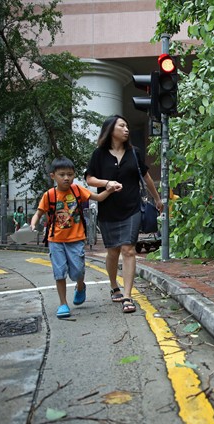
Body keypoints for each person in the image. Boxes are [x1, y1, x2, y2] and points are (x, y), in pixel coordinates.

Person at [85, 115, 163, 314]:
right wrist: (106, 183)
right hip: (108, 209)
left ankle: (128, 296)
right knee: (113, 251)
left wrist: (157, 198)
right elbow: (90, 179)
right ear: (111, 129)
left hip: (132, 208)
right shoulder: (99, 154)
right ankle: (114, 286)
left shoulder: (134, 153)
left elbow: (146, 178)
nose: (126, 129)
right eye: (122, 125)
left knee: (129, 249)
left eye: (127, 125)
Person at [30, 156, 114, 318]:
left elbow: (97, 198)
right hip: (55, 241)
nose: (66, 178)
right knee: (59, 272)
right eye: (62, 174)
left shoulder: (77, 190)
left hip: (76, 239)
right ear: (53, 176)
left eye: (70, 174)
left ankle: (80, 286)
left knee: (78, 271)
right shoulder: (49, 195)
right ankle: (63, 304)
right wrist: (33, 224)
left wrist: (109, 190)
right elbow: (38, 213)